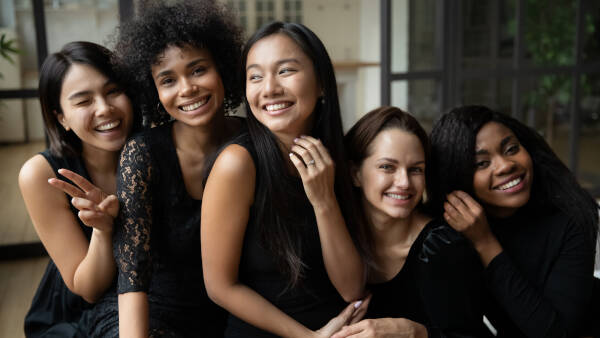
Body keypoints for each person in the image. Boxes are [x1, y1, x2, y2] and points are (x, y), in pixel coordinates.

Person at [201, 21, 367, 337]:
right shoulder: (237, 164)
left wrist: (324, 200)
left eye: (286, 71)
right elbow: (219, 286)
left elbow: (351, 288)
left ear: (321, 83)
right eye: (255, 76)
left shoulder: (335, 156)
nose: (269, 88)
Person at [102, 1, 245, 336]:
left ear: (222, 68)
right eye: (168, 80)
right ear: (153, 90)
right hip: (158, 314)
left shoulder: (253, 140)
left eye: (198, 70)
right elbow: (133, 275)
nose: (187, 89)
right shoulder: (143, 153)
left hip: (240, 309)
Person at [429, 105, 599, 337]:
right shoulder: (448, 234)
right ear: (457, 177)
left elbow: (556, 334)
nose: (506, 165)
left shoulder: (568, 217)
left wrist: (484, 242)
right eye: (481, 163)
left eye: (511, 149)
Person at [331, 106, 491, 338]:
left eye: (416, 169)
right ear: (355, 173)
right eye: (388, 167)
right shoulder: (337, 237)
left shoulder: (441, 247)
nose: (404, 182)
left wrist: (415, 333)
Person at [19, 41, 136, 337]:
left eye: (112, 91)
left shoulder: (152, 148)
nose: (105, 109)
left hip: (149, 295)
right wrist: (102, 230)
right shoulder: (41, 174)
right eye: (84, 101)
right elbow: (89, 290)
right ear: (61, 117)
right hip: (76, 314)